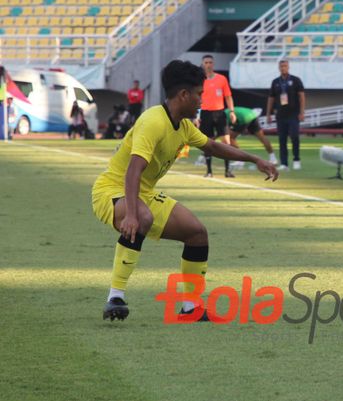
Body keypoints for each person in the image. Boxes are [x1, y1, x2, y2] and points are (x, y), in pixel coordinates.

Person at [92, 60, 278, 322]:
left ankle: (190, 308)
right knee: (142, 217)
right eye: (199, 94)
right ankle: (115, 297)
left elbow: (213, 147)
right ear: (183, 95)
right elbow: (133, 171)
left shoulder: (184, 125)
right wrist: (131, 215)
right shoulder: (153, 122)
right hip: (112, 190)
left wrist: (255, 159)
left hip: (142, 193)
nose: (202, 99)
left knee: (197, 233)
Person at [198, 55, 236, 178]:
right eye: (206, 62)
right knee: (208, 143)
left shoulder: (222, 79)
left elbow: (228, 96)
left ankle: (228, 170)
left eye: (210, 62)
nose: (208, 64)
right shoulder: (199, 80)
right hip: (205, 113)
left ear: (213, 64)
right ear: (203, 64)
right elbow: (196, 98)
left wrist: (231, 111)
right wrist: (196, 115)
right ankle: (209, 171)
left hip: (220, 113)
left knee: (226, 141)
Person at [266, 59, 305, 170]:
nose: (283, 68)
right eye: (281, 66)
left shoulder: (296, 80)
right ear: (279, 68)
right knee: (282, 139)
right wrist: (268, 114)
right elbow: (271, 98)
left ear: (289, 67)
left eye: (285, 66)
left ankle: (296, 159)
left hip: (293, 114)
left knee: (294, 136)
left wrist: (302, 112)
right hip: (280, 115)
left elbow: (301, 96)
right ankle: (284, 163)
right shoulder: (275, 82)